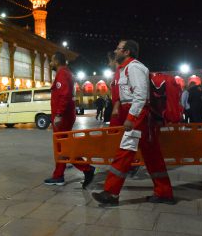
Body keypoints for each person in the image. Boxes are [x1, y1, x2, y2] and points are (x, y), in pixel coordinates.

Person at [92, 40, 174, 206]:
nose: (115, 51)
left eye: (118, 48)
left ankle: (111, 193)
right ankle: (164, 192)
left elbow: (140, 95)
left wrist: (131, 117)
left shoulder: (134, 67)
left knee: (125, 151)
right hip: (138, 114)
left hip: (138, 114)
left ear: (127, 52)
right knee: (152, 156)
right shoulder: (126, 69)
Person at [44, 51, 95, 188]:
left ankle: (86, 169)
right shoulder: (66, 73)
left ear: (56, 61)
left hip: (63, 117)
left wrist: (59, 114)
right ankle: (58, 175)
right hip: (65, 115)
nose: (50, 63)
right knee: (61, 146)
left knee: (63, 147)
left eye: (52, 60)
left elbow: (64, 95)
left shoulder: (62, 74)